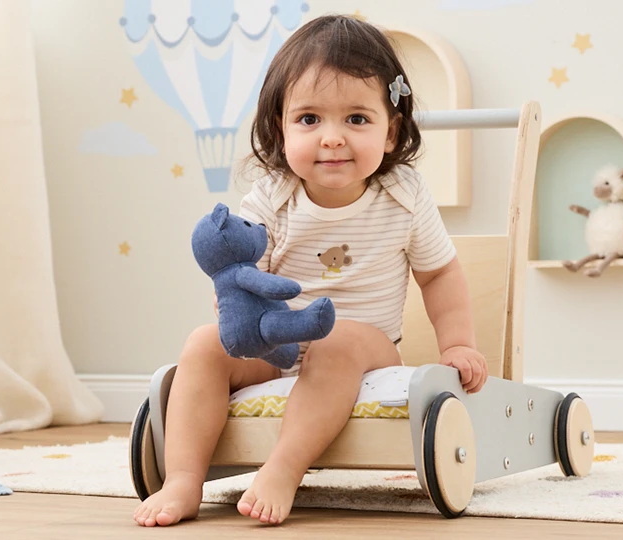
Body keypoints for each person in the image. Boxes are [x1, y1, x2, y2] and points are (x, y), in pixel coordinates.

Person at [133, 14, 490, 527]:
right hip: (278, 346)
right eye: (309, 119)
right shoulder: (273, 197)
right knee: (202, 344)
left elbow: (438, 276)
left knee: (335, 341)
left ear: (391, 133)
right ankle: (184, 479)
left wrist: (457, 343)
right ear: (280, 128)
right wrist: (234, 304)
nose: (332, 138)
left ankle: (283, 468)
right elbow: (238, 274)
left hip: (366, 350)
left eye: (357, 119)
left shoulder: (404, 197)